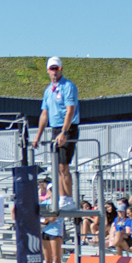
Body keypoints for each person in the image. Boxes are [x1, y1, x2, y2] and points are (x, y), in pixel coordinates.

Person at [32, 56, 80, 198]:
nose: (54, 72)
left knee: (63, 166)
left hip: (68, 127)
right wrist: (37, 137)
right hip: (55, 129)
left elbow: (70, 110)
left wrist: (65, 131)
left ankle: (68, 197)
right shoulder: (48, 91)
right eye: (52, 69)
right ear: (47, 70)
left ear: (61, 70)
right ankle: (61, 197)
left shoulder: (68, 86)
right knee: (57, 166)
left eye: (57, 69)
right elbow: (44, 114)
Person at [41, 195, 69, 263]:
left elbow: (52, 218)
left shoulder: (60, 203)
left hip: (55, 232)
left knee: (57, 259)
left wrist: (45, 217)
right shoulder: (46, 202)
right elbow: (39, 214)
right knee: (48, 260)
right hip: (45, 231)